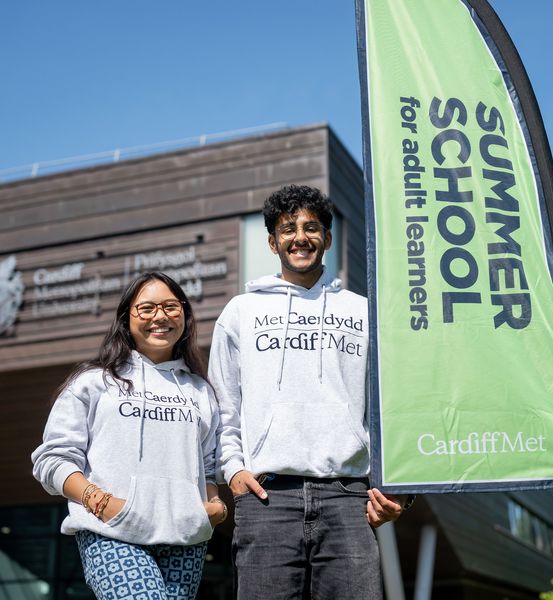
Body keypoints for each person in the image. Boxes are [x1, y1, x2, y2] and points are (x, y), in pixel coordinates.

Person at [209, 184, 409, 599]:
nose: (300, 237)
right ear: (272, 241)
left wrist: (400, 490)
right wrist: (233, 471)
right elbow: (223, 406)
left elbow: (391, 406)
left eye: (311, 227)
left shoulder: (363, 312)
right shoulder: (241, 312)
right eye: (287, 229)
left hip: (348, 497)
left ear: (328, 239)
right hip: (266, 498)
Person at [32, 272, 225, 600]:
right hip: (112, 532)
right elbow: (52, 459)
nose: (160, 317)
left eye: (170, 307)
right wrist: (103, 504)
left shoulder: (200, 390)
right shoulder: (94, 381)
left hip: (186, 538)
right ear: (126, 319)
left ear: (185, 314)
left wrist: (214, 505)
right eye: (146, 308)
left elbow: (206, 466)